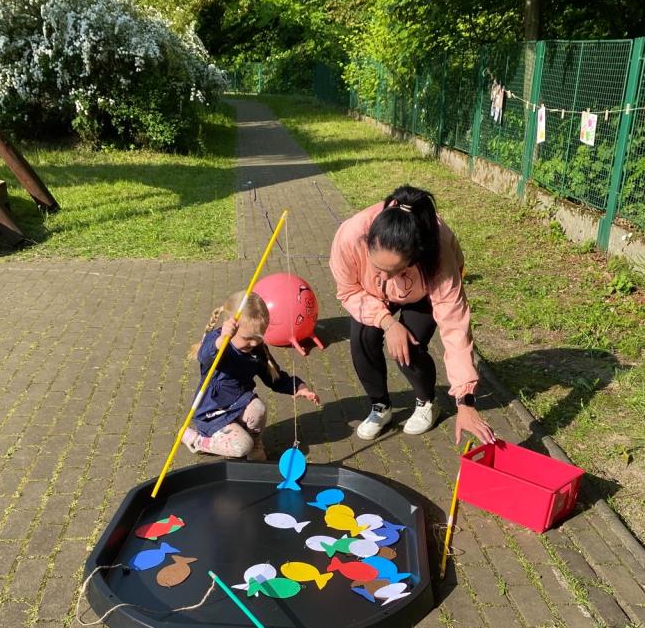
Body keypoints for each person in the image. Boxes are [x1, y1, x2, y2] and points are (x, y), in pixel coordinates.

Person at [329, 185, 495, 444]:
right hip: (370, 293)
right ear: (368, 242)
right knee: (361, 339)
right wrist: (387, 323)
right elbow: (349, 291)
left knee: (409, 348)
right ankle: (380, 406)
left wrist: (465, 401)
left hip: (421, 291)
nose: (385, 276)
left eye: (395, 270)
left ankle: (427, 401)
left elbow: (455, 325)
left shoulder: (438, 252)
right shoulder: (350, 236)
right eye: (378, 267)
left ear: (415, 258)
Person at [182, 290, 320, 461]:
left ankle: (255, 445)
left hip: (239, 404)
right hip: (213, 413)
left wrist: (298, 387)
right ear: (231, 328)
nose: (254, 342)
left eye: (259, 337)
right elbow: (205, 356)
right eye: (247, 338)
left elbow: (274, 378)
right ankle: (197, 441)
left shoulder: (257, 349)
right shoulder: (219, 343)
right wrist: (222, 339)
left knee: (258, 409)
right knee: (242, 446)